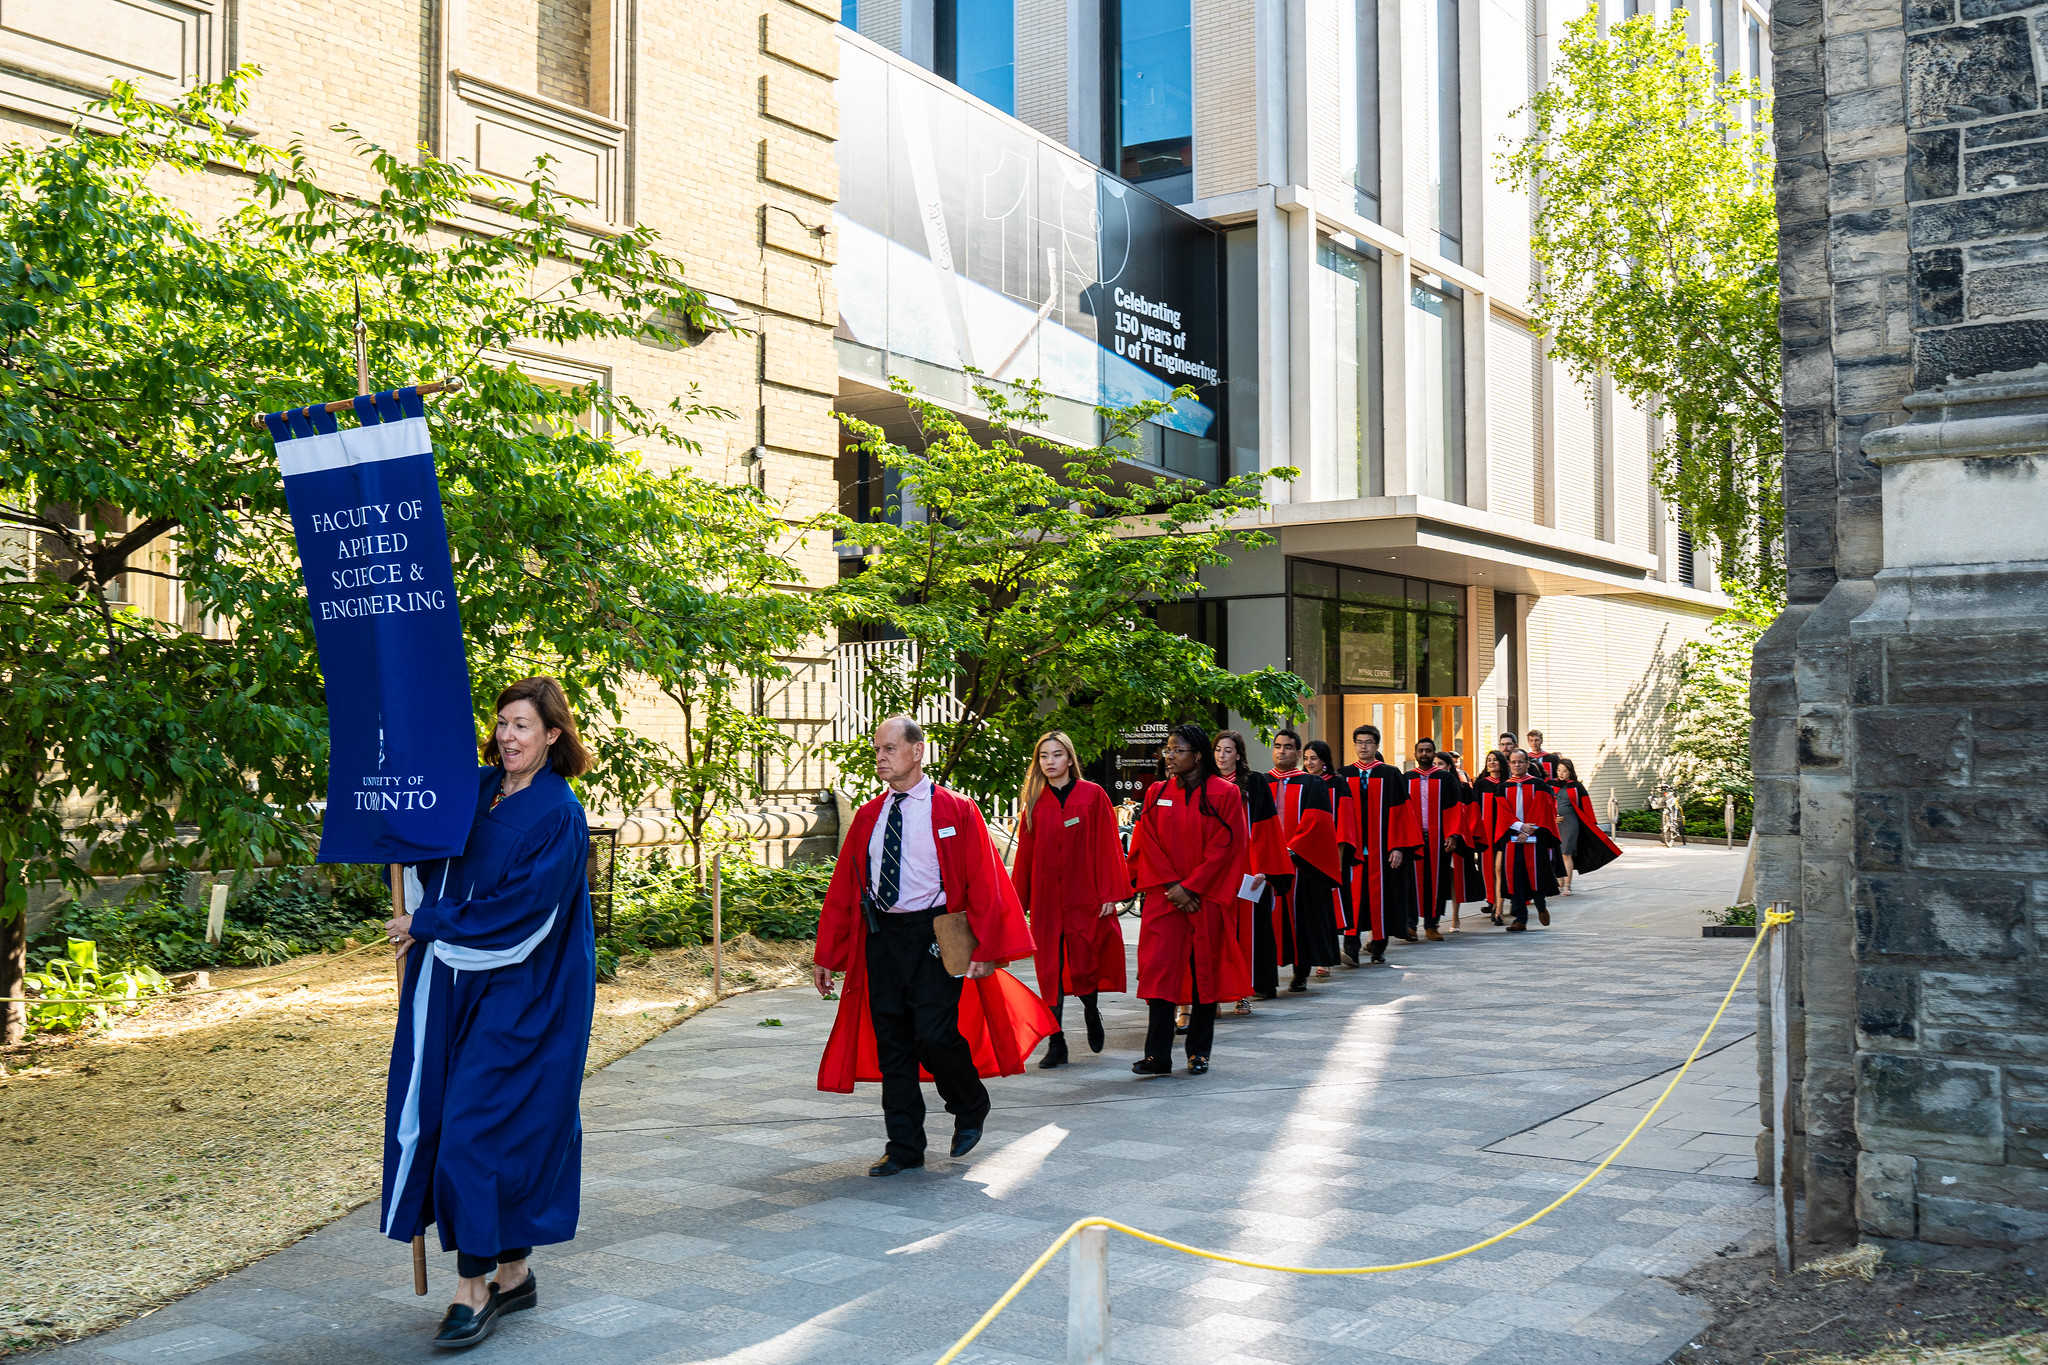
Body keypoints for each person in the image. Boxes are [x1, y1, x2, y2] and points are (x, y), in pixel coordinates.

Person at [381, 677, 597, 1349]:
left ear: (553, 734)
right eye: (503, 723)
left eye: (523, 725)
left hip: (528, 989)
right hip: (459, 981)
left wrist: (430, 920)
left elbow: (519, 911)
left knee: (478, 1124)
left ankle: (471, 1286)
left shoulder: (559, 814)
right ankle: (515, 1269)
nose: (508, 735)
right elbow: (429, 838)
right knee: (478, 1120)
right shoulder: (478, 788)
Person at [812, 717, 1056, 1176]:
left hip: (933, 936)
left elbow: (985, 879)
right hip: (881, 937)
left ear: (917, 750)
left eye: (889, 748)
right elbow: (844, 888)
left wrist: (987, 947)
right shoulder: (869, 816)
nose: (881, 756)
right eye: (877, 750)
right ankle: (904, 1146)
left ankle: (969, 1101)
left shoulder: (955, 810)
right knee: (893, 1044)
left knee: (933, 1033)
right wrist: (828, 954)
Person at [1126, 723, 1250, 1075]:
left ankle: (1198, 1052)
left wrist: (1192, 887)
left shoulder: (1223, 794)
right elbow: (1147, 841)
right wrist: (1173, 886)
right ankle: (1157, 1056)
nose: (1169, 757)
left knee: (1202, 975)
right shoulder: (1156, 793)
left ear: (1197, 755)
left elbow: (1228, 847)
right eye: (1167, 750)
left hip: (1205, 898)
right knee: (1160, 974)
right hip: (1165, 899)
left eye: (1176, 750)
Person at [1011, 731, 1129, 1068]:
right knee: (1050, 970)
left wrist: (1109, 892)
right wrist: (1019, 905)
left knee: (1084, 963)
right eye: (1044, 756)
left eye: (1057, 755)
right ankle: (1057, 1042)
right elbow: (1026, 858)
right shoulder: (1033, 803)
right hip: (1048, 901)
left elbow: (1108, 845)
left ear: (1070, 758)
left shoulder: (1093, 796)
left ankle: (1091, 1011)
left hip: (1084, 896)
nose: (1050, 762)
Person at [1265, 729, 1345, 991]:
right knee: (1266, 919)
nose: (1281, 751)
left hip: (1300, 863)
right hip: (1266, 861)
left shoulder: (1312, 783)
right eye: (1277, 746)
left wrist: (1291, 849)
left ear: (1297, 753)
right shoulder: (1261, 782)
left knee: (1301, 918)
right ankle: (1265, 976)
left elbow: (1317, 823)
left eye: (1288, 747)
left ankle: (1300, 972)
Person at [1214, 729, 1288, 1014]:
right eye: (1218, 750)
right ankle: (1215, 994)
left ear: (1239, 754)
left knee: (1247, 932)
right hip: (1216, 868)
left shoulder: (1254, 782)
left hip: (1247, 869)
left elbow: (1267, 828)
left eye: (1228, 750)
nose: (1222, 756)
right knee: (1218, 933)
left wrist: (1262, 869)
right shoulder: (1204, 782)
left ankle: (1241, 993)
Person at [1336, 724, 1418, 965]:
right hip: (1352, 851)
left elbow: (1402, 812)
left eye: (1368, 742)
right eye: (1359, 742)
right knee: (1352, 899)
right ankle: (1350, 948)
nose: (1363, 746)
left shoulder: (1390, 774)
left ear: (1376, 746)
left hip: (1381, 851)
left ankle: (1379, 946)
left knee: (1380, 898)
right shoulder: (1344, 774)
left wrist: (1398, 846)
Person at [1486, 749, 1561, 931]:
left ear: (1528, 763)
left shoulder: (1539, 785)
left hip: (1535, 839)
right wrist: (1519, 827)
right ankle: (1519, 919)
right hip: (1512, 839)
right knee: (1515, 878)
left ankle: (1541, 905)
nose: (1517, 765)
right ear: (1509, 764)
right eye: (1513, 762)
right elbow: (1502, 813)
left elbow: (1543, 810)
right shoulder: (1503, 787)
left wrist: (1528, 831)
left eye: (1521, 762)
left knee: (1537, 876)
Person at [1404, 736, 1462, 942]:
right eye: (1421, 751)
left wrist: (1453, 834)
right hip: (1413, 839)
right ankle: (1410, 925)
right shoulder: (1407, 778)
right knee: (1411, 882)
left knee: (1436, 882)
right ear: (1415, 754)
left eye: (1428, 750)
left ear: (1434, 753)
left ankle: (1431, 924)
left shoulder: (1445, 779)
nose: (1424, 754)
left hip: (1438, 839)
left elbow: (1454, 809)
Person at [1547, 755, 1623, 892]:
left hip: (1570, 825)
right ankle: (1559, 881)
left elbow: (1587, 807)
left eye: (1564, 771)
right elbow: (1546, 804)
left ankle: (1567, 886)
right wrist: (1551, 817)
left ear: (1570, 771)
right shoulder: (1551, 784)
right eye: (1559, 770)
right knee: (1557, 853)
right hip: (1554, 824)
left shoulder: (1577, 787)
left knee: (1566, 853)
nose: (1561, 773)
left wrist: (1592, 826)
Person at [1472, 750, 1511, 924]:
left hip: (1503, 832)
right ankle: (1493, 902)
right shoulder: (1481, 784)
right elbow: (1475, 809)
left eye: (1495, 760)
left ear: (1502, 763)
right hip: (1486, 831)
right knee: (1488, 869)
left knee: (1500, 869)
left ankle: (1499, 907)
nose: (1492, 763)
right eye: (1489, 760)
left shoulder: (1507, 784)